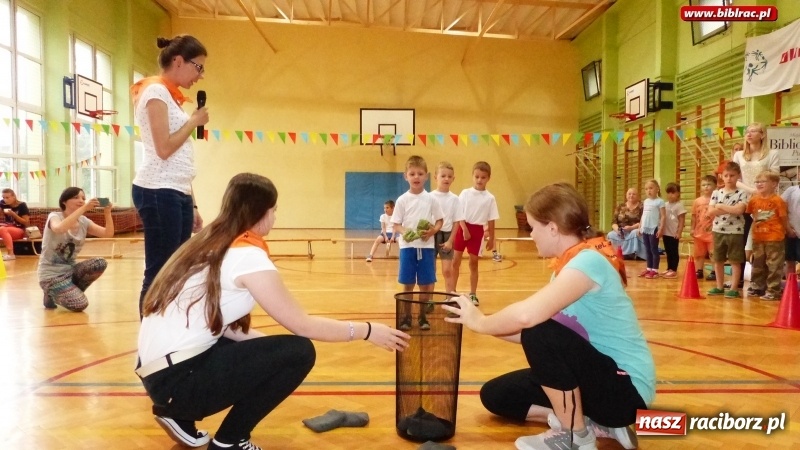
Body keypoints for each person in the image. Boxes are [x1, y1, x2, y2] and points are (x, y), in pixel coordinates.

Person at [137, 173, 410, 450]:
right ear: (262, 212)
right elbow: (302, 325)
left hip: (162, 375)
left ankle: (179, 415)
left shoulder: (210, 241)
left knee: (280, 352)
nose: (275, 217)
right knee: (300, 352)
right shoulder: (246, 255)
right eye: (274, 210)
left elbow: (223, 327)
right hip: (178, 380)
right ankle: (230, 440)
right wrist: (368, 331)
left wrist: (269, 355)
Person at [442, 183, 654, 450]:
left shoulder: (588, 262)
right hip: (596, 378)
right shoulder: (567, 266)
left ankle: (575, 435)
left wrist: (481, 322)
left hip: (624, 391)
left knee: (537, 328)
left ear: (552, 228)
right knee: (497, 395)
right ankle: (592, 423)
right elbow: (534, 333)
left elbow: (529, 320)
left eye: (533, 227)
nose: (531, 235)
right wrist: (475, 321)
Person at [131, 35, 210, 315]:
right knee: (160, 270)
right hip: (157, 190)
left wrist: (193, 203)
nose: (200, 75)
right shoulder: (155, 92)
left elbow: (181, 158)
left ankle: (167, 325)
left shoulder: (171, 97)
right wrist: (193, 122)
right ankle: (149, 332)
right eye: (198, 67)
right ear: (178, 61)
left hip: (177, 191)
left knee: (177, 268)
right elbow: (164, 149)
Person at [38, 187, 114, 311]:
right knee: (80, 304)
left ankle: (66, 291)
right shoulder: (54, 216)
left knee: (99, 263)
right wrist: (84, 208)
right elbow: (59, 229)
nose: (81, 200)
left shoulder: (84, 221)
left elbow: (108, 234)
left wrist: (107, 213)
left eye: (83, 198)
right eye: (76, 197)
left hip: (70, 271)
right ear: (64, 201)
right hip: (51, 276)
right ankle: (51, 293)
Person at [391, 155, 444, 331]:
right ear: (405, 176)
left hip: (426, 248)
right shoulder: (402, 200)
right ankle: (406, 317)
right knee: (408, 284)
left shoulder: (431, 199)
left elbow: (440, 220)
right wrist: (406, 232)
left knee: (425, 285)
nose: (416, 177)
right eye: (412, 173)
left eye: (420, 174)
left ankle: (422, 317)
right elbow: (396, 224)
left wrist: (433, 231)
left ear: (426, 176)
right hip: (407, 248)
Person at [732, 125, 779, 288]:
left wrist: (760, 191)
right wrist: (752, 190)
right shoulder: (738, 155)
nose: (749, 134)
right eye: (747, 131)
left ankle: (762, 281)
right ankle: (737, 279)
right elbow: (735, 179)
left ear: (762, 134)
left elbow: (774, 176)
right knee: (740, 240)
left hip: (764, 202)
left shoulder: (772, 154)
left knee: (763, 241)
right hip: (744, 200)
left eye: (753, 131)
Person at [452, 161, 499, 305]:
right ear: (472, 176)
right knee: (455, 261)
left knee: (473, 263)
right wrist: (464, 229)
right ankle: (451, 292)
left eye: (483, 177)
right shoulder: (465, 193)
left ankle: (473, 294)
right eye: (477, 177)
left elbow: (491, 219)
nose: (479, 180)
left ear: (488, 178)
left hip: (477, 232)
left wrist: (491, 238)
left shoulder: (490, 198)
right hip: (462, 228)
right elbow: (458, 213)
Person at [707, 162, 748, 298]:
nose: (729, 178)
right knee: (718, 260)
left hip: (735, 231)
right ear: (721, 177)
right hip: (718, 230)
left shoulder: (742, 193)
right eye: (726, 175)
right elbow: (710, 211)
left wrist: (720, 206)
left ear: (738, 176)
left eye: (732, 175)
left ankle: (734, 288)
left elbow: (739, 210)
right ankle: (719, 286)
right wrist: (729, 209)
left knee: (735, 260)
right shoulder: (716, 193)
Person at [745, 171, 789, 300]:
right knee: (758, 263)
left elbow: (783, 218)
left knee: (774, 264)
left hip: (774, 237)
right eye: (757, 182)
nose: (759, 184)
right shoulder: (754, 200)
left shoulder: (778, 201)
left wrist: (788, 230)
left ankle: (773, 290)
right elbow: (751, 216)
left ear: (774, 184)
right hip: (758, 237)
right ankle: (757, 287)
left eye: (763, 182)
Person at [430, 161, 463, 293]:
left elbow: (456, 222)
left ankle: (450, 298)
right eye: (443, 176)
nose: (446, 179)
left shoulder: (455, 199)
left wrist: (450, 241)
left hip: (447, 236)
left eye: (449, 176)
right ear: (435, 177)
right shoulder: (429, 197)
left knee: (447, 270)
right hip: (432, 235)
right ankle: (429, 299)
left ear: (453, 179)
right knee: (431, 271)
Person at [606, 188, 646, 261]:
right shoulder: (620, 206)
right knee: (611, 234)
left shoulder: (642, 206)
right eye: (629, 194)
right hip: (622, 231)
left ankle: (632, 253)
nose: (631, 196)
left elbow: (643, 221)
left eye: (634, 194)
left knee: (635, 233)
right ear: (626, 195)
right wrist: (617, 230)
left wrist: (631, 227)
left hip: (635, 229)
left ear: (638, 196)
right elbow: (613, 222)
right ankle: (619, 253)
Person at [638, 180, 666, 279]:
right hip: (645, 228)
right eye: (646, 189)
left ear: (657, 189)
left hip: (654, 228)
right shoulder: (645, 201)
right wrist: (640, 227)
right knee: (647, 249)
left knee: (654, 249)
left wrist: (661, 228)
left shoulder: (660, 201)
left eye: (651, 188)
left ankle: (655, 270)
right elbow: (643, 215)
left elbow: (663, 216)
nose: (648, 191)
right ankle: (649, 268)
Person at [692, 175, 717, 280]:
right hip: (699, 232)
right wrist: (692, 228)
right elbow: (694, 216)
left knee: (713, 253)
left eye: (709, 184)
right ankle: (699, 270)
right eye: (704, 185)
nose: (706, 187)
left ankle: (714, 271)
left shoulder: (717, 199)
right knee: (699, 253)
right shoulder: (697, 201)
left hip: (713, 232)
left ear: (715, 186)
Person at [661, 183, 686, 279]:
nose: (670, 195)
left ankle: (673, 269)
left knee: (673, 251)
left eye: (673, 193)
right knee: (668, 251)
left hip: (673, 233)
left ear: (678, 193)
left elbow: (681, 220)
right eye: (668, 193)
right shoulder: (665, 204)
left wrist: (679, 232)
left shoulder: (679, 205)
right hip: (666, 232)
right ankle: (669, 268)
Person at [0, 188, 30, 261]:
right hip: (8, 227)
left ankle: (11, 254)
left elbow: (26, 222)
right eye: (3, 197)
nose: (5, 200)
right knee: (2, 228)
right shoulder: (2, 203)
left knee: (2, 229)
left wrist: (14, 215)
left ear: (14, 197)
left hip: (19, 230)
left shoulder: (22, 205)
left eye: (7, 197)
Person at [781, 182, 800, 277]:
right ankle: (790, 284)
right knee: (790, 260)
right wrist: (788, 228)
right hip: (792, 232)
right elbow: (781, 209)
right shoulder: (791, 190)